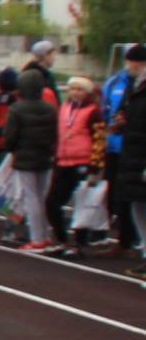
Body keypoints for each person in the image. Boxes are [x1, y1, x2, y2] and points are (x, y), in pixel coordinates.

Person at [2, 68, 60, 251]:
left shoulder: (16, 108)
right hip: (44, 155)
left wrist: (12, 150)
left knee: (31, 196)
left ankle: (36, 238)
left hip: (25, 156)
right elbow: (53, 134)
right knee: (42, 196)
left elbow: (10, 135)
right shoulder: (49, 108)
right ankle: (45, 235)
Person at [50, 76, 108, 253]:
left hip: (82, 162)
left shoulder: (93, 111)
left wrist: (95, 165)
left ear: (87, 92)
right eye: (72, 88)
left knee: (82, 203)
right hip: (62, 160)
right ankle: (63, 240)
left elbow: (99, 138)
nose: (75, 92)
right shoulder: (64, 107)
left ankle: (80, 243)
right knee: (52, 202)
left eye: (80, 89)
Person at [108, 46, 144, 252]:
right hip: (129, 150)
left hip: (138, 154)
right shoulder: (130, 85)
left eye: (130, 61)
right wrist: (123, 122)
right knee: (134, 205)